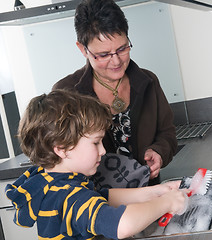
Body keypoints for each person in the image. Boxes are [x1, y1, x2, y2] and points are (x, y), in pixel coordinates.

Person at [5, 90, 188, 240]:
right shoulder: (69, 196)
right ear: (62, 149)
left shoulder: (49, 182)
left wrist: (156, 192)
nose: (103, 151)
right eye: (95, 143)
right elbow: (122, 225)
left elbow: (101, 197)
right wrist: (166, 203)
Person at [52, 0, 177, 186]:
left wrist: (158, 152)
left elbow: (167, 134)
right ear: (82, 49)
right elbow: (60, 160)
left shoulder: (148, 81)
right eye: (103, 55)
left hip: (149, 194)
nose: (116, 61)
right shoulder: (66, 93)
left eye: (122, 48)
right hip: (96, 205)